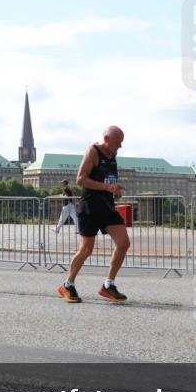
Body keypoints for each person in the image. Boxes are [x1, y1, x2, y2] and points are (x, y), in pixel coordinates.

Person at [57, 126, 130, 304]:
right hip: (90, 208)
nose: (120, 146)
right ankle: (68, 284)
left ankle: (108, 285)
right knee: (86, 249)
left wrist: (115, 190)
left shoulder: (113, 155)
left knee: (124, 243)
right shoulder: (93, 151)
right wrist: (106, 187)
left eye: (121, 143)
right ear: (106, 138)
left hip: (107, 207)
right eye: (118, 142)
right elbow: (80, 179)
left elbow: (108, 179)